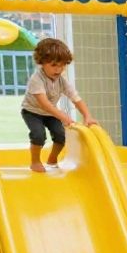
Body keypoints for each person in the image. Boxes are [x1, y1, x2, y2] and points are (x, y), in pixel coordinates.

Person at [21, 38, 98, 172]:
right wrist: (63, 116)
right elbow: (44, 104)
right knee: (38, 135)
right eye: (54, 65)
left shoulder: (62, 80)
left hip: (50, 113)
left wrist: (87, 116)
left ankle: (52, 159)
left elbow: (76, 98)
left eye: (62, 65)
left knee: (61, 135)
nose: (58, 70)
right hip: (32, 112)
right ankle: (35, 161)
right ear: (42, 63)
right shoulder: (36, 79)